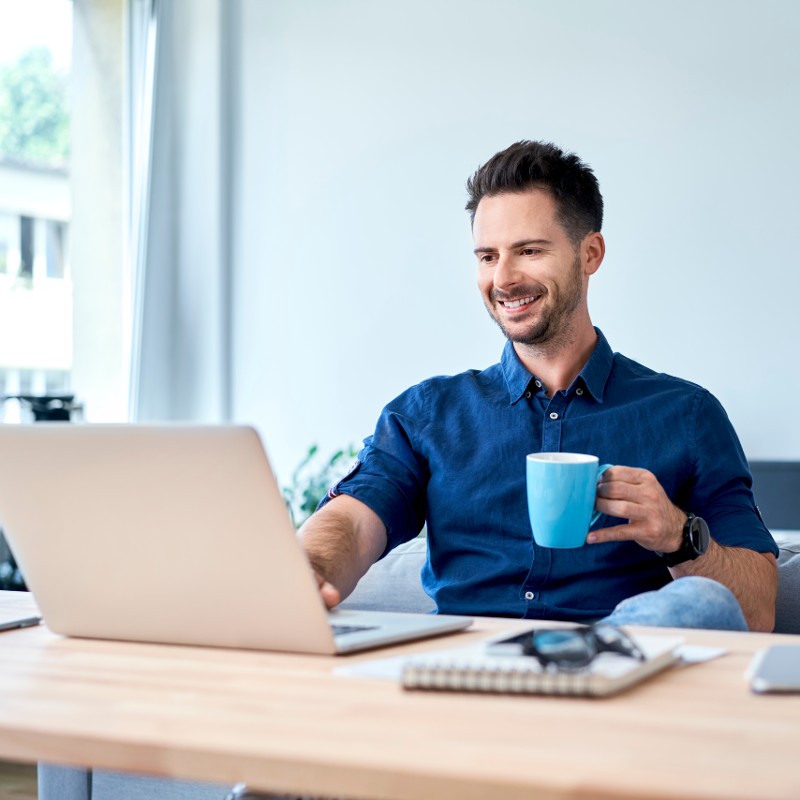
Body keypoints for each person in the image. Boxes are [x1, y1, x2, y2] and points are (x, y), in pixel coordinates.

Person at [299, 140, 779, 632]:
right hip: (465, 675)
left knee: (699, 602)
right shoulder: (426, 414)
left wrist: (679, 535)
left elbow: (756, 610)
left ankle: (579, 662)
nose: (503, 278)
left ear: (589, 254)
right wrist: (307, 570)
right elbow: (353, 521)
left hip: (618, 674)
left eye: (528, 251)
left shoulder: (687, 415)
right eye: (487, 256)